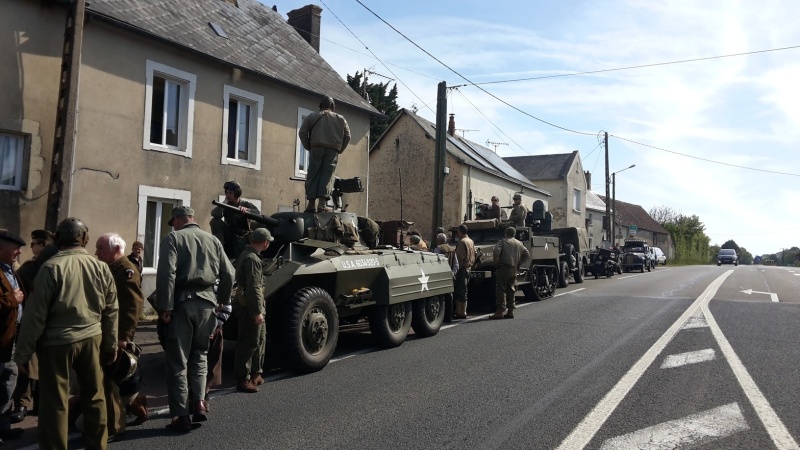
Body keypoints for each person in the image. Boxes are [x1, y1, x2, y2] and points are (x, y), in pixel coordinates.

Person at [14, 218, 118, 450]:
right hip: (92, 336)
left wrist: (23, 354)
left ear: (58, 239)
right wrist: (110, 345)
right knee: (95, 396)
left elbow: (34, 316)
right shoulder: (101, 266)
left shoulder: (50, 268)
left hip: (57, 342)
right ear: (85, 239)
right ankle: (97, 445)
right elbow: (112, 309)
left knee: (55, 403)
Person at [156, 206, 234, 433]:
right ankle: (199, 402)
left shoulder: (173, 239)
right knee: (200, 355)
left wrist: (165, 306)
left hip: (182, 303)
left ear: (178, 221)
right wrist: (222, 300)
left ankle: (181, 416)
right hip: (207, 305)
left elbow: (167, 273)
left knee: (178, 361)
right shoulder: (212, 241)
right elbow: (229, 273)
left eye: (174, 222)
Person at [94, 233, 146, 437]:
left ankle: (120, 420)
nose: (96, 252)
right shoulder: (111, 268)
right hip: (107, 331)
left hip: (117, 335)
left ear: (116, 249)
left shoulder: (125, 270)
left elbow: (132, 306)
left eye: (100, 248)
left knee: (114, 379)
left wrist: (124, 336)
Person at [10, 229, 52, 424]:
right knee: (25, 363)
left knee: (46, 364)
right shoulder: (28, 269)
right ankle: (22, 403)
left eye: (34, 243)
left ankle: (41, 403)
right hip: (28, 321)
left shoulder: (54, 266)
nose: (31, 246)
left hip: (50, 323)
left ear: (43, 245)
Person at [234, 228, 271, 394]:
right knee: (249, 341)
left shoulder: (248, 255)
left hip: (252, 303)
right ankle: (243, 379)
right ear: (265, 242)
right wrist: (257, 312)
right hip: (249, 306)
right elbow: (254, 287)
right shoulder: (252, 259)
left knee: (260, 338)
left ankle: (256, 373)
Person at [299, 94, 351, 213]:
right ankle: (322, 205)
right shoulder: (341, 119)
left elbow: (302, 132)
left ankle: (311, 205)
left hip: (316, 147)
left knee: (313, 174)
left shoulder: (312, 116)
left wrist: (308, 146)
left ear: (320, 106)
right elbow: (347, 136)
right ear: (333, 106)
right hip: (332, 150)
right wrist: (340, 149)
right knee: (327, 176)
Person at [0, 230, 26, 445]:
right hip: (0, 340)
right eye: (14, 248)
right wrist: (12, 299)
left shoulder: (10, 270)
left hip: (10, 340)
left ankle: (3, 428)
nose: (19, 252)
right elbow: (11, 299)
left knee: (8, 383)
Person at [211, 181, 261, 260]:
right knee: (215, 221)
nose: (228, 195)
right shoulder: (227, 204)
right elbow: (215, 214)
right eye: (227, 193)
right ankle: (218, 248)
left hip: (242, 237)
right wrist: (224, 204)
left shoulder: (245, 204)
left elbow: (257, 213)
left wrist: (247, 210)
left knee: (240, 259)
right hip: (229, 235)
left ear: (237, 193)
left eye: (230, 193)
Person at [490, 227, 530, 320]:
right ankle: (510, 311)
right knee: (511, 289)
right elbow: (527, 254)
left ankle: (500, 311)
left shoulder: (503, 241)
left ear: (505, 233)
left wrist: (496, 262)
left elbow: (496, 251)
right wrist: (518, 264)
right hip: (513, 268)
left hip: (504, 267)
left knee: (501, 289)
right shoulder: (519, 243)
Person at [453, 224, 475, 319]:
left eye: (458, 231)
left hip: (462, 269)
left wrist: (456, 270)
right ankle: (462, 311)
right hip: (469, 267)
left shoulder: (462, 242)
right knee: (464, 289)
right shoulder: (471, 241)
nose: (457, 233)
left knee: (460, 290)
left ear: (460, 232)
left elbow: (459, 258)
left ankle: (460, 312)